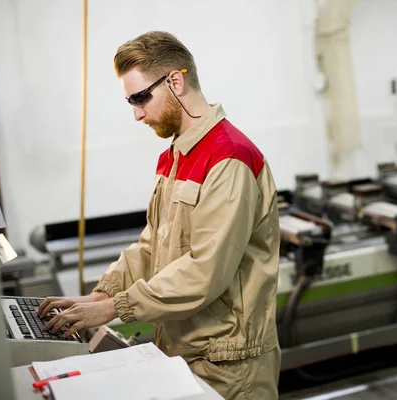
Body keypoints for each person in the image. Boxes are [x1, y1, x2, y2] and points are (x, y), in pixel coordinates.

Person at [38, 31, 281, 399]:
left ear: (175, 81)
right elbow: (151, 248)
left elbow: (204, 271)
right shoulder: (173, 157)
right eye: (130, 102)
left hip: (228, 366)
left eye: (140, 98)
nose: (137, 113)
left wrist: (114, 309)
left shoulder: (228, 157)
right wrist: (99, 296)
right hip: (183, 352)